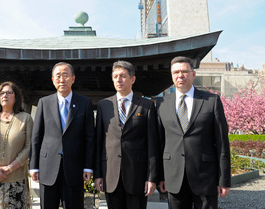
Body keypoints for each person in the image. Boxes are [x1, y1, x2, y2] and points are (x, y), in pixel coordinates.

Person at [157, 56, 231, 209]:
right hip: (173, 177)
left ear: (193, 74)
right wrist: (159, 176)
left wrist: (224, 180)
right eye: (176, 72)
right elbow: (159, 142)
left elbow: (222, 144)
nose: (180, 76)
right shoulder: (162, 104)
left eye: (184, 71)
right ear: (171, 75)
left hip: (205, 176)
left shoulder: (211, 101)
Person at [94, 60, 160, 209]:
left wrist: (151, 178)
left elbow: (152, 144)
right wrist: (98, 174)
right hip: (111, 174)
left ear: (132, 79)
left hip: (137, 174)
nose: (118, 80)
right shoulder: (104, 105)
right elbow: (99, 142)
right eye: (115, 76)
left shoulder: (146, 105)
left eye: (123, 76)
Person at [30, 62, 95, 209]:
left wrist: (88, 167)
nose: (62, 79)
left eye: (65, 75)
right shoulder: (44, 103)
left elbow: (89, 137)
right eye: (58, 76)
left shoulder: (84, 103)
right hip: (47, 168)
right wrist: (34, 166)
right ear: (53, 80)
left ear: (73, 78)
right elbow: (36, 137)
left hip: (74, 167)